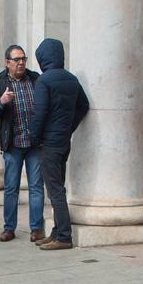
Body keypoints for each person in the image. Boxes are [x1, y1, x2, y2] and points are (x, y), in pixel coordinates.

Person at [29, 37, 89, 251]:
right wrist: (69, 128)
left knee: (55, 191)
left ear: (42, 58)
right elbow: (84, 105)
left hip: (49, 144)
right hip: (63, 142)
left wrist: (34, 138)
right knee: (58, 188)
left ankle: (64, 236)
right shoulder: (72, 79)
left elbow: (39, 114)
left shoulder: (44, 81)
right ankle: (56, 232)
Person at [0, 44, 45, 242]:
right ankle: (9, 228)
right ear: (7, 62)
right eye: (16, 60)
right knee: (11, 187)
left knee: (36, 186)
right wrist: (1, 101)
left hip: (34, 144)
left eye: (23, 59)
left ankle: (36, 228)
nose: (21, 63)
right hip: (13, 144)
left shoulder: (35, 79)